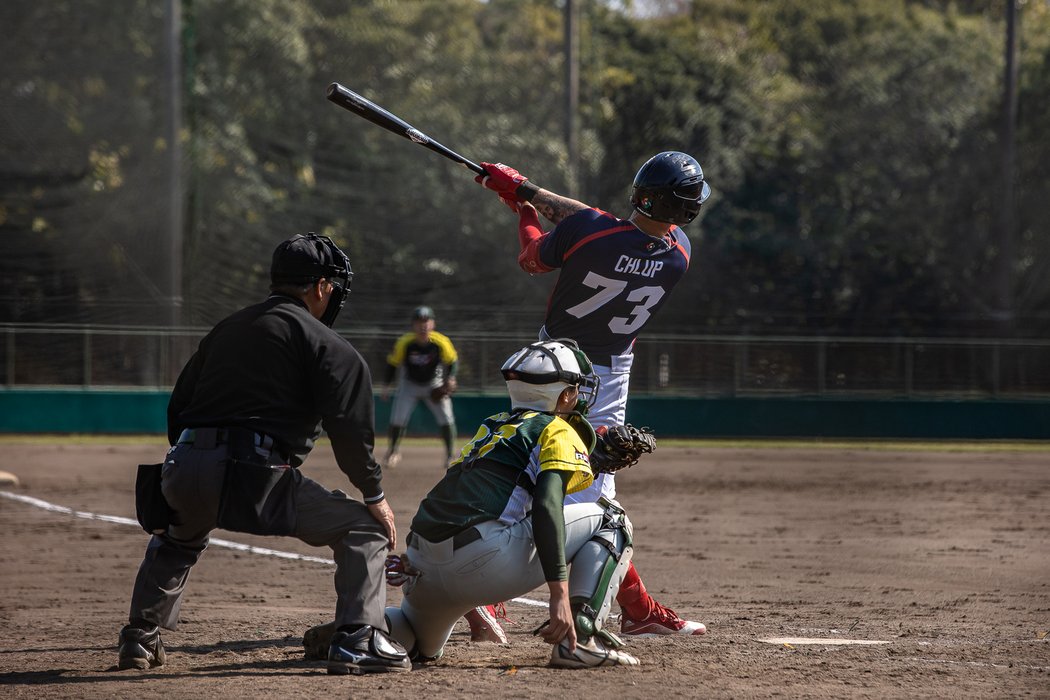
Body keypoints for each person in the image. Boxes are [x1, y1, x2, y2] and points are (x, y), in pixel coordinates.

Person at [117, 233, 411, 676]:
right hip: (257, 476)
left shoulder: (227, 328)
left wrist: (194, 468)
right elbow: (350, 434)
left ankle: (139, 638)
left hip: (184, 463)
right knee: (362, 531)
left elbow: (178, 407)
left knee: (177, 536)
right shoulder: (328, 346)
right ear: (320, 287)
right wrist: (375, 495)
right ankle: (358, 640)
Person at [474, 152, 711, 638]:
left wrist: (523, 209)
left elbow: (535, 257)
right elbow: (601, 227)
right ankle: (633, 609)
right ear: (685, 210)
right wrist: (527, 191)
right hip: (611, 372)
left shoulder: (591, 229)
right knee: (596, 491)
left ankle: (490, 597)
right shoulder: (679, 253)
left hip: (553, 364)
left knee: (529, 468)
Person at [384, 339, 640, 668]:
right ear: (563, 394)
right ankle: (581, 638)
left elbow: (468, 492)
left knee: (419, 646)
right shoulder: (556, 427)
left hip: (422, 567)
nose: (578, 395)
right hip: (481, 566)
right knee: (612, 519)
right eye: (575, 388)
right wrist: (558, 595)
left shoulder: (492, 427)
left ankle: (366, 630)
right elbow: (547, 507)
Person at [382, 306, 459, 469]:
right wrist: (386, 386)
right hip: (409, 384)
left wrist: (451, 378)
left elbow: (452, 361)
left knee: (446, 417)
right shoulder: (405, 342)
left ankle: (450, 455)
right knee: (398, 418)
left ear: (433, 324)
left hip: (433, 383)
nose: (423, 325)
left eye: (426, 321)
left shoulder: (441, 342)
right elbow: (393, 364)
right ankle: (393, 452)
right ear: (413, 325)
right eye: (419, 322)